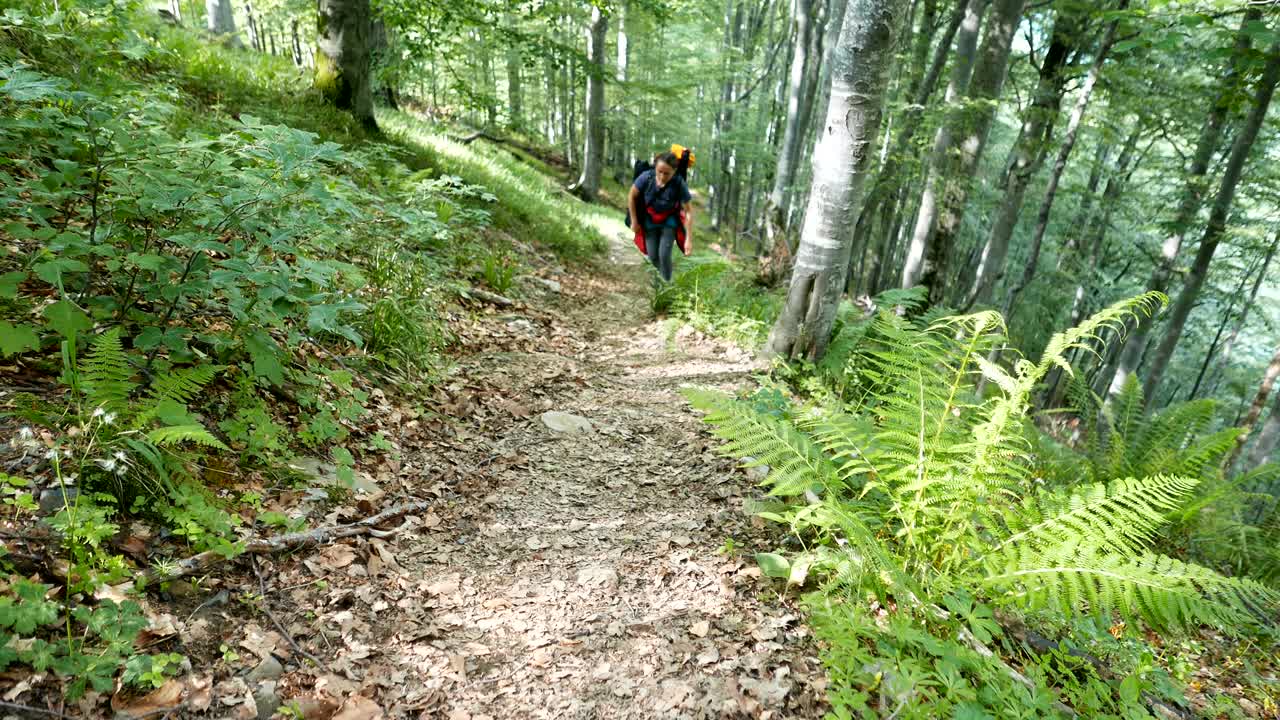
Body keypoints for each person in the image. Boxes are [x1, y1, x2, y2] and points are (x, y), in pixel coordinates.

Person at [629, 151, 694, 282]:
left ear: (674, 171)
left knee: (664, 255)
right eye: (659, 171)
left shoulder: (679, 183)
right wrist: (634, 221)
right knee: (653, 256)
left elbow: (689, 211)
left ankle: (666, 285)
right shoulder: (646, 178)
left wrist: (688, 239)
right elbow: (632, 196)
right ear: (655, 168)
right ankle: (658, 286)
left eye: (667, 173)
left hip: (669, 221)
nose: (662, 176)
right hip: (649, 219)